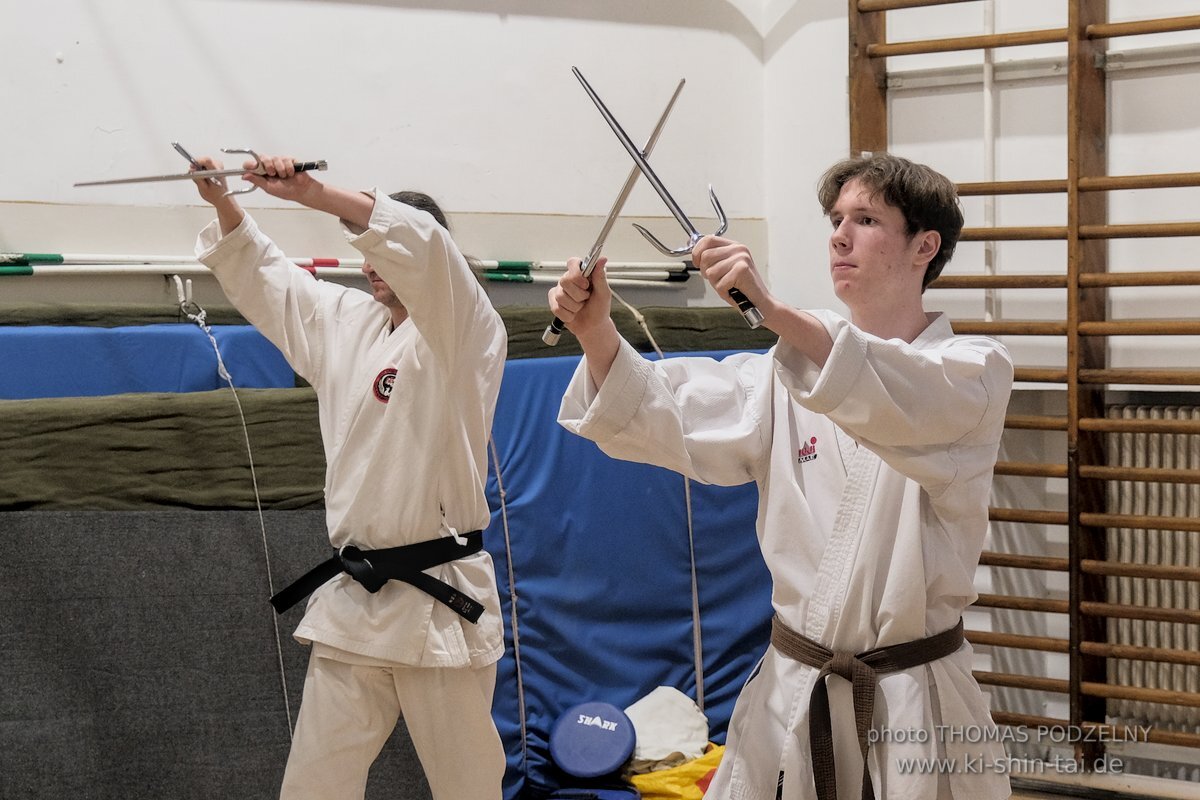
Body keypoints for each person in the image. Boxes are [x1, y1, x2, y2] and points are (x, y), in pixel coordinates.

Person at [548, 153, 1014, 800]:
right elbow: (663, 411)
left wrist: (767, 306)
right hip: (794, 689)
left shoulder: (975, 372)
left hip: (913, 698)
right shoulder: (781, 376)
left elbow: (896, 392)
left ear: (924, 246)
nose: (840, 235)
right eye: (835, 219)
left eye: (867, 219)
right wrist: (596, 331)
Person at [191, 155, 507, 800]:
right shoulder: (349, 324)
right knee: (314, 782)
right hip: (355, 597)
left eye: (381, 242)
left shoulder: (465, 329)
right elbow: (272, 280)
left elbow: (424, 246)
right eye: (364, 248)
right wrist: (223, 200)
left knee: (466, 785)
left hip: (436, 599)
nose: (370, 260)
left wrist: (315, 193)